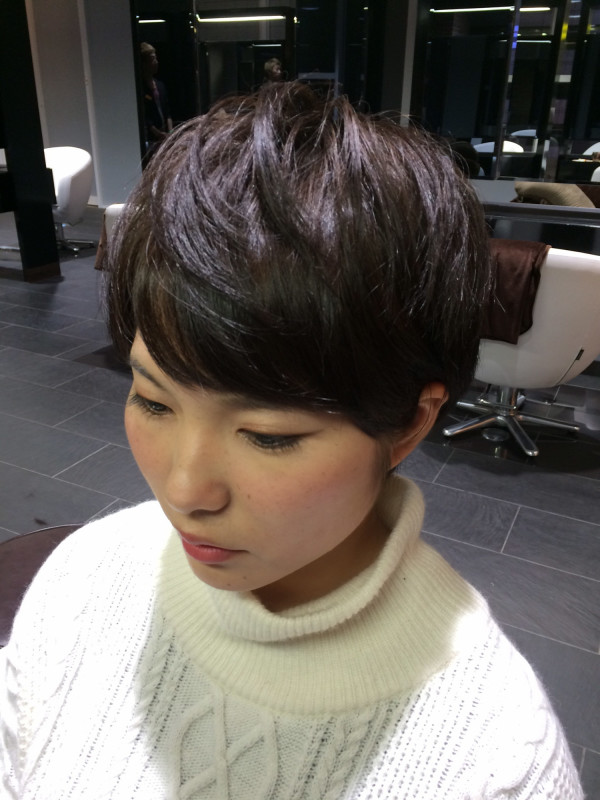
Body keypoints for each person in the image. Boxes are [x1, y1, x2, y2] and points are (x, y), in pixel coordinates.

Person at [0, 83, 583, 799]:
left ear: (409, 423)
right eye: (153, 400)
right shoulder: (81, 578)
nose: (184, 491)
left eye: (268, 436)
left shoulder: (492, 762)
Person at [140, 41, 172, 165]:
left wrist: (170, 132)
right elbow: (145, 118)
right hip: (150, 140)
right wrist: (158, 134)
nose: (156, 62)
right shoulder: (140, 89)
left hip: (164, 138)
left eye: (156, 58)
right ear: (144, 64)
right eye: (152, 59)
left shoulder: (160, 85)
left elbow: (167, 111)